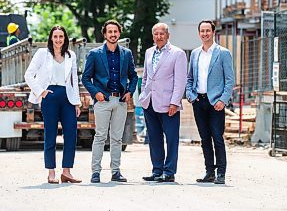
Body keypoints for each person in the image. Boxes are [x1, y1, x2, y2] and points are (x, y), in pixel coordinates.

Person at [82, 20, 138, 183]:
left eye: (115, 32)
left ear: (119, 33)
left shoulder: (126, 54)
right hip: (103, 100)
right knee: (100, 136)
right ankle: (96, 172)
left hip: (120, 100)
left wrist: (130, 91)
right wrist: (96, 93)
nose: (113, 34)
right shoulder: (95, 54)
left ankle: (115, 171)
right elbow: (86, 77)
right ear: (105, 34)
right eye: (110, 32)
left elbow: (133, 76)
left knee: (117, 138)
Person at [24, 26, 82, 184]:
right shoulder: (43, 54)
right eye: (55, 36)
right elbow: (28, 74)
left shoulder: (71, 55)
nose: (58, 40)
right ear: (51, 38)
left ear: (65, 38)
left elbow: (74, 80)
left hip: (67, 98)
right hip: (49, 97)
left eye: (61, 36)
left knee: (71, 133)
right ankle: (51, 173)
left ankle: (67, 172)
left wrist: (77, 102)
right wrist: (41, 91)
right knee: (50, 134)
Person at [186, 20, 234, 185]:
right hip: (199, 100)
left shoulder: (223, 53)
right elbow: (190, 78)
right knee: (204, 138)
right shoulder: (195, 54)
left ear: (213, 32)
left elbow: (229, 80)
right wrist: (191, 96)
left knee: (217, 137)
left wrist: (223, 100)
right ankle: (209, 172)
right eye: (202, 31)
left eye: (208, 30)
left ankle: (221, 173)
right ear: (199, 33)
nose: (205, 33)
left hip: (216, 103)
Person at [139, 23, 187, 183]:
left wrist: (175, 102)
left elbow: (180, 81)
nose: (159, 36)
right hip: (150, 102)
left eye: (162, 34)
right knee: (154, 138)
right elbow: (146, 77)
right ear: (153, 36)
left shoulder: (177, 54)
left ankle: (169, 171)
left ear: (168, 35)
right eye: (156, 34)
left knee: (171, 138)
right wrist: (143, 95)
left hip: (168, 104)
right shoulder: (148, 52)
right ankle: (157, 170)